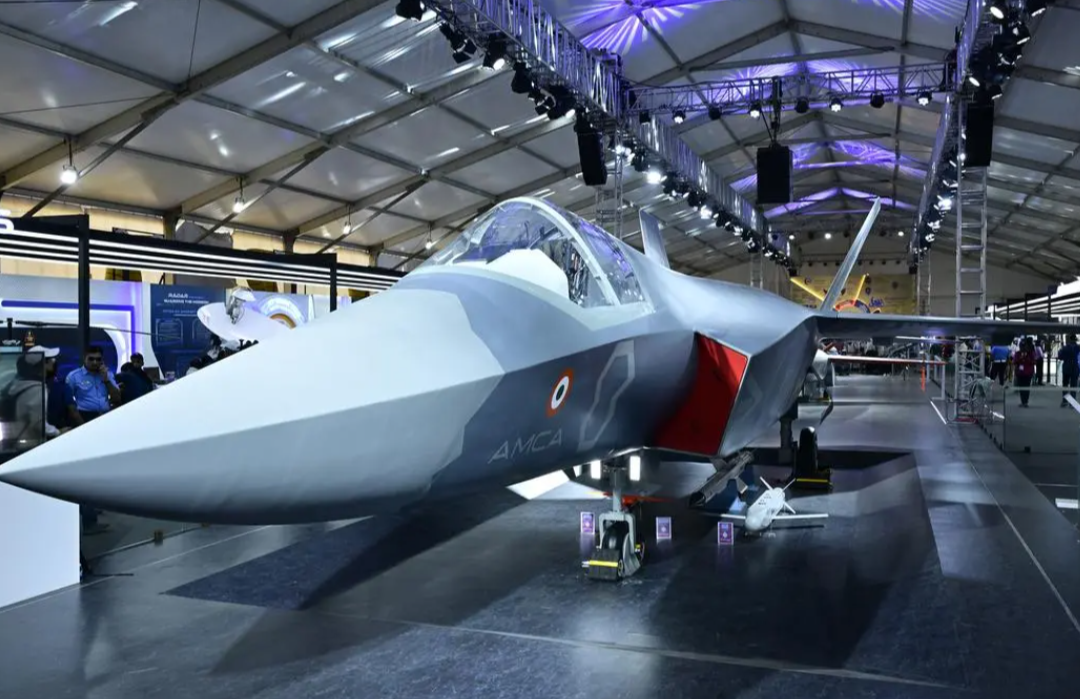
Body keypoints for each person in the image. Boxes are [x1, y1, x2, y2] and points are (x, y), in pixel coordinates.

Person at [66, 345, 121, 535]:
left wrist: (106, 380)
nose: (95, 362)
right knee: (86, 470)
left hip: (104, 419)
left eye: (98, 359)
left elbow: (117, 397)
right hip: (84, 419)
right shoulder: (74, 377)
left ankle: (94, 505)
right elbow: (68, 404)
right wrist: (81, 426)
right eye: (92, 359)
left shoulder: (107, 375)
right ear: (84, 358)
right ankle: (88, 519)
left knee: (101, 466)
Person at [1013, 338, 1036, 408]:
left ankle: (1025, 402)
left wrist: (1027, 358)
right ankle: (1023, 401)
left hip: (1028, 373)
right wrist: (1021, 358)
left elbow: (1034, 362)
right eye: (1021, 346)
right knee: (1021, 387)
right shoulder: (1018, 353)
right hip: (1020, 373)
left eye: (1024, 346)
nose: (1023, 348)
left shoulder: (1030, 354)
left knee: (1026, 387)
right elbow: (1014, 362)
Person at [1058, 334, 1080, 407]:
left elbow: (1060, 357)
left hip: (1066, 368)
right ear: (1075, 340)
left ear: (1070, 340)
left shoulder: (1065, 348)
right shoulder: (1078, 348)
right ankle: (1072, 403)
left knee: (1065, 385)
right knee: (1073, 385)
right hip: (1075, 368)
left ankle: (1065, 401)